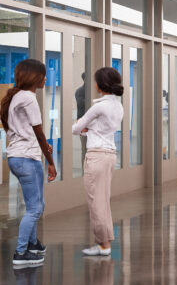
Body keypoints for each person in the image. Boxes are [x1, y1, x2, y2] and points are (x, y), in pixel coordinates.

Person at [2, 59, 58, 267]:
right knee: (35, 208)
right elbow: (39, 132)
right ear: (35, 78)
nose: (45, 78)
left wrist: (41, 148)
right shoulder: (29, 98)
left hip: (16, 157)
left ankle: (33, 244)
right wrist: (51, 161)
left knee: (35, 204)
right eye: (43, 75)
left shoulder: (15, 97)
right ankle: (21, 252)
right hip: (27, 158)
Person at [71, 67, 124, 257]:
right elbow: (101, 127)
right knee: (103, 201)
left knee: (96, 202)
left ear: (101, 85)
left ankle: (103, 245)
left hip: (96, 156)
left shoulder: (99, 106)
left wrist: (86, 127)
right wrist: (91, 127)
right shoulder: (118, 105)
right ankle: (105, 242)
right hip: (109, 155)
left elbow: (76, 128)